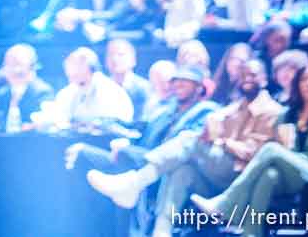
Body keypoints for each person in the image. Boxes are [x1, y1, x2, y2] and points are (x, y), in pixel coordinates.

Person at [87, 59, 282, 237]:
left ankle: (135, 183)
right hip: (215, 169)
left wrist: (222, 141)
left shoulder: (272, 110)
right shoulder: (232, 108)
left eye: (253, 75)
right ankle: (161, 231)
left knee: (189, 139)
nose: (247, 79)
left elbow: (256, 152)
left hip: (243, 173)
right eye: (244, 75)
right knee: (182, 171)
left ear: (265, 79)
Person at [191, 63, 308, 237]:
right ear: (298, 84)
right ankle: (251, 233)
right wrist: (285, 155)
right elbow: (280, 143)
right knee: (269, 175)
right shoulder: (286, 114)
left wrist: (289, 156)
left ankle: (226, 202)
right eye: (304, 79)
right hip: (285, 173)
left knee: (271, 149)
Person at [65, 65, 218, 237]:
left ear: (199, 87)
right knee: (83, 154)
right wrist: (102, 123)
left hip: (170, 166)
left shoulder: (206, 111)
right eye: (176, 81)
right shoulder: (165, 111)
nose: (179, 85)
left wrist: (127, 149)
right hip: (142, 155)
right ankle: (90, 229)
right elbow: (138, 128)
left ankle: (127, 223)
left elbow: (191, 144)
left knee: (126, 155)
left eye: (185, 81)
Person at [36, 47, 134, 132]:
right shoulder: (69, 91)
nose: (71, 75)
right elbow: (58, 116)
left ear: (89, 67)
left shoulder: (109, 91)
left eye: (75, 68)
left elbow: (110, 123)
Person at [0, 44, 53, 132]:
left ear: (31, 65)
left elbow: (46, 123)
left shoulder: (42, 92)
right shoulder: (2, 94)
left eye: (17, 63)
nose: (13, 69)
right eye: (8, 63)